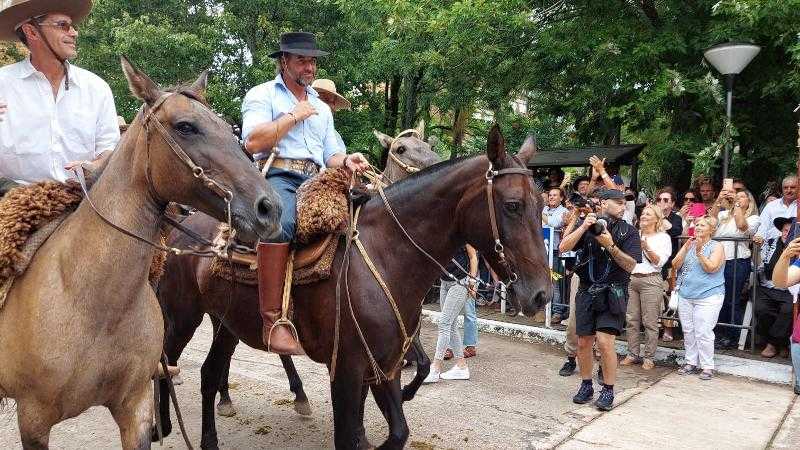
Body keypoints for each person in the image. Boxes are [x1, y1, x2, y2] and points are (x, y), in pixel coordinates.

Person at [241, 32, 370, 355]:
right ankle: (273, 322)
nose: (309, 66)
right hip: (277, 174)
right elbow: (253, 142)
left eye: (312, 60)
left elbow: (332, 154)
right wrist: (291, 117)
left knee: (365, 219)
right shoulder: (263, 95)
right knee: (279, 225)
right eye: (302, 60)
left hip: (318, 179)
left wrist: (348, 160)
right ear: (284, 61)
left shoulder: (321, 108)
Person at [0, 0, 119, 193]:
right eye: (63, 25)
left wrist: (96, 166)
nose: (74, 33)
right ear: (31, 32)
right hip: (12, 201)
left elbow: (110, 148)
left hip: (84, 200)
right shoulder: (2, 83)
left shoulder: (96, 87)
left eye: (72, 26)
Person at [559, 188, 641, 411]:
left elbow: (631, 265)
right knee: (584, 342)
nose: (623, 206)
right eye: (617, 202)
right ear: (603, 203)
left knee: (605, 342)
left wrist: (610, 246)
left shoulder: (629, 231)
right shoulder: (590, 225)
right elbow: (563, 247)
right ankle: (586, 385)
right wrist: (584, 226)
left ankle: (608, 389)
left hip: (613, 291)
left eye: (624, 203)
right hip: (587, 290)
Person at [671, 216, 726, 380]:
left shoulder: (717, 246)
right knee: (688, 330)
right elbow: (674, 265)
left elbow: (712, 268)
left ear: (711, 229)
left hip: (709, 295)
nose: (698, 227)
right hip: (686, 294)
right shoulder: (690, 244)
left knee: (703, 331)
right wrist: (685, 248)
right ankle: (690, 362)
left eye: (702, 225)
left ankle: (707, 366)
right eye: (697, 224)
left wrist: (699, 253)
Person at [621, 205, 671, 370]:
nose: (643, 216)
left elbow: (659, 262)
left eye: (648, 214)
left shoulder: (663, 238)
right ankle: (632, 354)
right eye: (642, 214)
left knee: (650, 321)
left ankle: (649, 357)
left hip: (651, 280)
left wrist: (646, 247)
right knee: (631, 320)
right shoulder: (634, 234)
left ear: (657, 219)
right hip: (633, 278)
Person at [710, 189, 760, 349]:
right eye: (735, 196)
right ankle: (717, 333)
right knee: (718, 298)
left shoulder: (754, 218)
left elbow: (742, 226)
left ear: (749, 201)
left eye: (741, 197)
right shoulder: (724, 215)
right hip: (719, 260)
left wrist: (736, 204)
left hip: (737, 261)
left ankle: (732, 335)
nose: (737, 198)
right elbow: (710, 222)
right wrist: (719, 199)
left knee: (732, 299)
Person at [424, 245, 479, 383]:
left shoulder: (464, 232)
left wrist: (472, 282)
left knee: (444, 323)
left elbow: (473, 257)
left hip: (460, 283)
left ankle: (436, 368)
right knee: (451, 325)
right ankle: (461, 367)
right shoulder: (443, 231)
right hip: (444, 282)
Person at [755, 216, 795, 358]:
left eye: (791, 232)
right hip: (767, 287)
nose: (787, 234)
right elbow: (759, 266)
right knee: (762, 309)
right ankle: (781, 343)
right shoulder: (771, 243)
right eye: (785, 231)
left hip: (790, 290)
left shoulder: (798, 247)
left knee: (788, 310)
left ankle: (772, 344)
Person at [656, 187, 683, 341]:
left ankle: (669, 328)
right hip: (654, 262)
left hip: (670, 263)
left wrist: (661, 216)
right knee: (656, 295)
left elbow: (675, 231)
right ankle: (655, 326)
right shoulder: (652, 215)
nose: (661, 202)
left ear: (672, 203)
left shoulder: (676, 218)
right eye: (659, 199)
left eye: (666, 200)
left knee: (671, 297)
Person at [755, 175, 798, 244]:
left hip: (795, 247)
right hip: (772, 247)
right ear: (782, 189)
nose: (789, 190)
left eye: (792, 187)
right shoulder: (771, 206)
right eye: (785, 188)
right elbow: (763, 227)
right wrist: (759, 237)